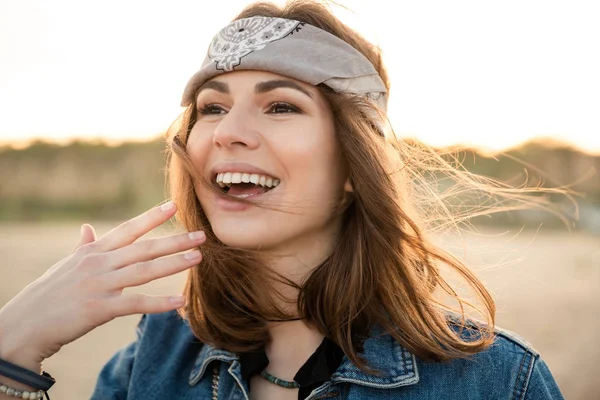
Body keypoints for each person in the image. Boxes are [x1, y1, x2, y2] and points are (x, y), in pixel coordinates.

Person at [0, 1, 565, 399]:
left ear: (354, 164)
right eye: (213, 108)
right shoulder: (152, 361)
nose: (227, 132)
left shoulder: (494, 381)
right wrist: (13, 354)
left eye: (282, 106)